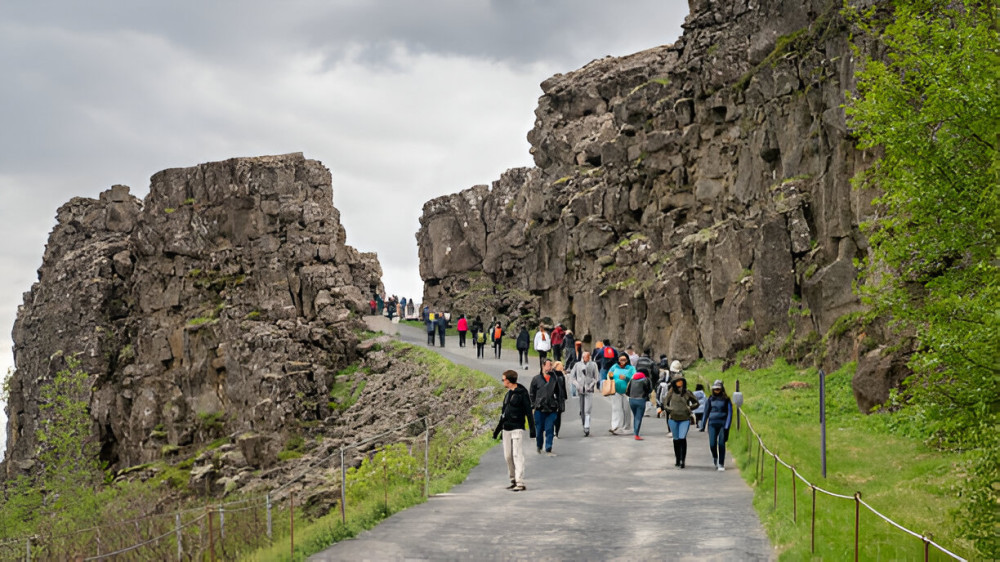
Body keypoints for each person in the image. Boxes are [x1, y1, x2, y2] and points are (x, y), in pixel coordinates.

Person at [493, 370, 536, 491]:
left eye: (503, 379)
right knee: (508, 456)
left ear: (509, 380)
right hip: (506, 428)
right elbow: (503, 414)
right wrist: (497, 431)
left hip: (517, 427)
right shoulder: (508, 394)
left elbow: (528, 411)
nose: (502, 382)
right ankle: (513, 479)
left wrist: (533, 430)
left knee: (517, 454)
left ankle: (520, 482)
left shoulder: (522, 393)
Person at [663, 375, 700, 468]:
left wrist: (689, 408)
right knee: (676, 440)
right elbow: (664, 404)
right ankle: (677, 459)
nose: (680, 383)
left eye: (681, 381)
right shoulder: (670, 393)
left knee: (682, 438)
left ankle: (683, 460)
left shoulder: (687, 393)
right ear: (674, 383)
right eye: (678, 381)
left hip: (684, 419)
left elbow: (696, 402)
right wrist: (670, 409)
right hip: (673, 419)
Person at [529, 360, 563, 456]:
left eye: (551, 365)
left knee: (549, 429)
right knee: (539, 430)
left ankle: (548, 448)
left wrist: (558, 405)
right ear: (543, 366)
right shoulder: (536, 379)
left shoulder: (554, 379)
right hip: (539, 408)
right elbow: (532, 393)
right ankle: (539, 446)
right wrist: (533, 405)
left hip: (551, 408)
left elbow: (559, 393)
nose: (551, 367)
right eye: (549, 365)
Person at [700, 380, 733, 471]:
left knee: (721, 443)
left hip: (723, 424)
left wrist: (727, 426)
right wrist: (702, 425)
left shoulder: (726, 400)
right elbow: (706, 412)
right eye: (715, 389)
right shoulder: (710, 399)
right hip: (712, 424)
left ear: (722, 389)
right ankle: (715, 456)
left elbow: (730, 413)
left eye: (718, 389)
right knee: (712, 444)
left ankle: (721, 463)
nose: (717, 391)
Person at [570, 351, 600, 436]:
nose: (587, 358)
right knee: (582, 410)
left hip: (589, 390)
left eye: (588, 356)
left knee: (587, 409)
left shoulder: (593, 365)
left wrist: (591, 385)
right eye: (586, 356)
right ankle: (584, 424)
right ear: (583, 357)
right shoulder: (577, 365)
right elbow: (572, 377)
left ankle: (587, 427)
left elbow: (596, 377)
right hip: (580, 389)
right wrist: (577, 385)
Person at [607, 353, 634, 435]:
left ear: (627, 360)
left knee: (626, 409)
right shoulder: (614, 366)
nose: (622, 361)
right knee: (616, 409)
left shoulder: (631, 368)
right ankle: (615, 427)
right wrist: (610, 377)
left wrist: (626, 378)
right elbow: (609, 374)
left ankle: (627, 426)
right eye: (621, 360)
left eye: (624, 360)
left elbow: (634, 377)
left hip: (627, 392)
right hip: (615, 391)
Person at [625, 365, 653, 440]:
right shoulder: (646, 379)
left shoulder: (632, 379)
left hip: (631, 400)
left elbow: (627, 390)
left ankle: (635, 431)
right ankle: (636, 434)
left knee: (635, 416)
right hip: (641, 400)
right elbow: (650, 390)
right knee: (638, 417)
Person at [634, 350, 659, 416]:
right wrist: (655, 381)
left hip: (638, 379)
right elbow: (655, 372)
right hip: (647, 380)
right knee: (647, 394)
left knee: (640, 394)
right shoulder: (651, 362)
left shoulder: (638, 360)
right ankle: (646, 411)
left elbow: (635, 369)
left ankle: (639, 409)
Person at [551, 361, 568, 438]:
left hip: (560, 397)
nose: (562, 367)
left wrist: (564, 396)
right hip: (553, 397)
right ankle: (552, 430)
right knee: (552, 415)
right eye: (561, 365)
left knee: (558, 416)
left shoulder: (562, 375)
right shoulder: (552, 374)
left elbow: (563, 387)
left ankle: (556, 432)